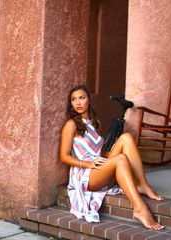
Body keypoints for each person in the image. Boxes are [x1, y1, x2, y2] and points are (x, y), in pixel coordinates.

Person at [60, 84, 164, 230]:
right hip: (85, 175)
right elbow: (64, 156)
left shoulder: (96, 123)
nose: (77, 102)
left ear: (89, 100)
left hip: (99, 170)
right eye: (73, 99)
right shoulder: (71, 125)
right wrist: (88, 164)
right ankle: (140, 208)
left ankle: (142, 185)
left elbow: (100, 154)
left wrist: (108, 155)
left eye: (81, 98)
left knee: (126, 137)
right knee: (121, 159)